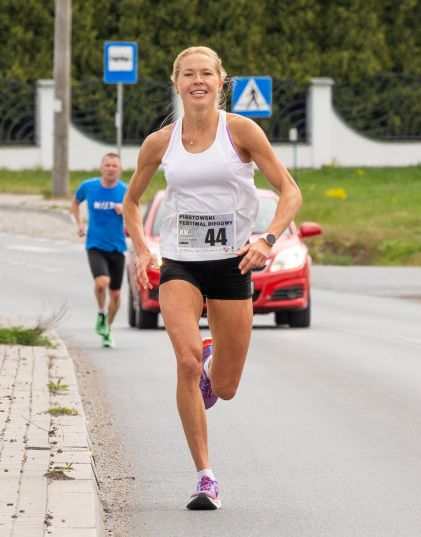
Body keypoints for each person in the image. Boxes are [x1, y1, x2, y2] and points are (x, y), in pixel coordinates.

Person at [123, 46, 302, 510]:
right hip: (180, 263)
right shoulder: (160, 142)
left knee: (224, 387)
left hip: (232, 264)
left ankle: (210, 363)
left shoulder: (241, 131)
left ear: (221, 82)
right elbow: (131, 202)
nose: (197, 81)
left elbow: (289, 191)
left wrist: (267, 238)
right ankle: (205, 477)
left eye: (206, 73)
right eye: (188, 74)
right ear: (176, 82)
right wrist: (143, 250)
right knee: (183, 363)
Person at [71, 153, 128, 348]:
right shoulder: (89, 186)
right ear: (101, 167)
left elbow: (135, 214)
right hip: (95, 244)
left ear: (120, 170)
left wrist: (125, 210)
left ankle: (107, 328)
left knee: (116, 295)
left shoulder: (125, 191)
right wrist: (79, 223)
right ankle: (101, 312)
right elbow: (75, 202)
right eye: (108, 165)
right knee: (101, 282)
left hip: (117, 246)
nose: (111, 168)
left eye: (115, 166)